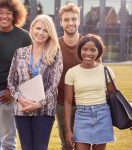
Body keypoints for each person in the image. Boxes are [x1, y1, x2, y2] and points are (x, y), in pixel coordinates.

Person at [0, 0, 32, 149]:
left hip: (7, 94)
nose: (4, 16)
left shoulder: (23, 37)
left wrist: (14, 91)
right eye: (0, 13)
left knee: (8, 140)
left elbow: (28, 68)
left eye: (8, 13)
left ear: (15, 15)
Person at [8, 14, 63, 150]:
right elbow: (11, 81)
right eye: (38, 28)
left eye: (45, 30)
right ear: (32, 29)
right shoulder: (19, 53)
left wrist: (38, 104)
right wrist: (19, 99)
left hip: (44, 110)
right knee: (26, 147)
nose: (40, 33)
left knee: (40, 147)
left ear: (50, 33)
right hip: (22, 109)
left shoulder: (55, 54)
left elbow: (53, 85)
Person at [64, 34, 115, 150]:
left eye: (93, 50)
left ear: (99, 51)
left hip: (103, 116)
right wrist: (68, 130)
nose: (88, 53)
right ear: (80, 50)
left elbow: (115, 97)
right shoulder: (72, 73)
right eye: (85, 49)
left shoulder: (106, 71)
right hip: (82, 116)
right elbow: (67, 102)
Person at [56, 3, 83, 150]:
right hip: (61, 104)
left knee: (84, 143)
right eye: (66, 19)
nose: (70, 23)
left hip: (85, 104)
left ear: (79, 21)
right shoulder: (54, 46)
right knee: (66, 144)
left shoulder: (88, 44)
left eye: (74, 19)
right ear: (61, 22)